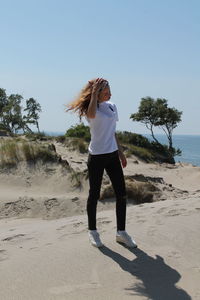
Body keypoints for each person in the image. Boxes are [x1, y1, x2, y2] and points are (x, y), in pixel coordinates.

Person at [66, 78, 137, 248]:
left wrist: (121, 153)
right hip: (97, 156)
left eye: (109, 91)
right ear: (96, 93)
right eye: (105, 92)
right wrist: (94, 93)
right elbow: (91, 114)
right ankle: (93, 231)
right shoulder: (91, 108)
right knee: (94, 195)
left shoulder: (111, 106)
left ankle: (121, 232)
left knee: (122, 194)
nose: (110, 94)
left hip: (112, 155)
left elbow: (112, 132)